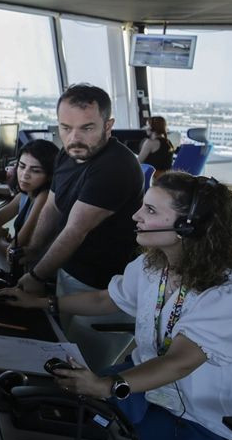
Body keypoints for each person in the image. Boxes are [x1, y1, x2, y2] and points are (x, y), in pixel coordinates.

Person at [0, 173, 232, 440]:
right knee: (45, 407)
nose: (136, 215)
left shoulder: (223, 297)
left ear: (187, 226)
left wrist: (108, 386)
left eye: (150, 210)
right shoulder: (154, 266)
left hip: (203, 428)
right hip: (147, 394)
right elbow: (105, 300)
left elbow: (179, 362)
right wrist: (41, 303)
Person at [14, 83, 144, 371]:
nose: (74, 138)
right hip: (69, 271)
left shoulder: (115, 168)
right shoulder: (69, 152)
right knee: (59, 350)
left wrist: (37, 275)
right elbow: (52, 206)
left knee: (82, 369)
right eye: (65, 128)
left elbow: (75, 230)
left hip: (102, 286)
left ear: (108, 125)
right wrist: (34, 250)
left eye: (87, 128)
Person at [0, 139, 58, 265]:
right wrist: (3, 241)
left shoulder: (44, 197)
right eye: (22, 166)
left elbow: (13, 252)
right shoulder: (25, 194)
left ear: (50, 175)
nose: (24, 175)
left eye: (35, 170)